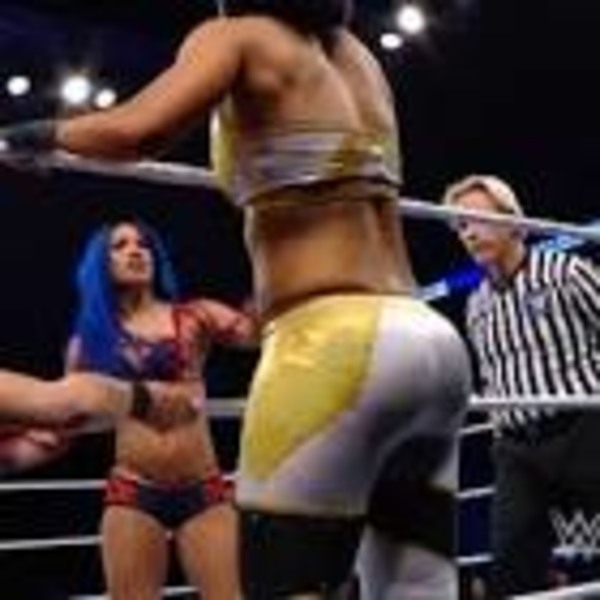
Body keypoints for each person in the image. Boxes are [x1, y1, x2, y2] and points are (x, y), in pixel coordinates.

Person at [0, 1, 471, 597]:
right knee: (418, 586)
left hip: (333, 346)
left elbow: (138, 130)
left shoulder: (237, 36)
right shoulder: (360, 59)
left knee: (284, 585)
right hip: (429, 340)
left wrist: (33, 135)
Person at [65, 219, 255, 599]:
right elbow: (71, 413)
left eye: (143, 244)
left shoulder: (196, 315)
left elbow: (255, 334)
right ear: (102, 264)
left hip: (203, 489)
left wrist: (276, 266)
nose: (136, 251)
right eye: (120, 246)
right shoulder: (91, 340)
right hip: (134, 490)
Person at [443, 174, 600, 597]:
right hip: (517, 450)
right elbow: (493, 377)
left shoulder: (565, 271)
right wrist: (499, 432)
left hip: (583, 430)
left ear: (513, 221)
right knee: (510, 567)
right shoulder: (476, 305)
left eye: (477, 219)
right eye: (460, 225)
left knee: (589, 547)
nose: (469, 233)